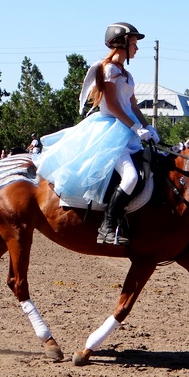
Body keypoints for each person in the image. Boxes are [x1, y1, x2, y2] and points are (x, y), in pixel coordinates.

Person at [35, 22, 157, 245]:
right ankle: (106, 227)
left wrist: (148, 127)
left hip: (128, 131)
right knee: (129, 176)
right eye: (134, 43)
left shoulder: (127, 75)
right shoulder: (108, 69)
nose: (137, 48)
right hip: (110, 131)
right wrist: (136, 128)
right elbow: (113, 106)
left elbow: (133, 106)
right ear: (121, 44)